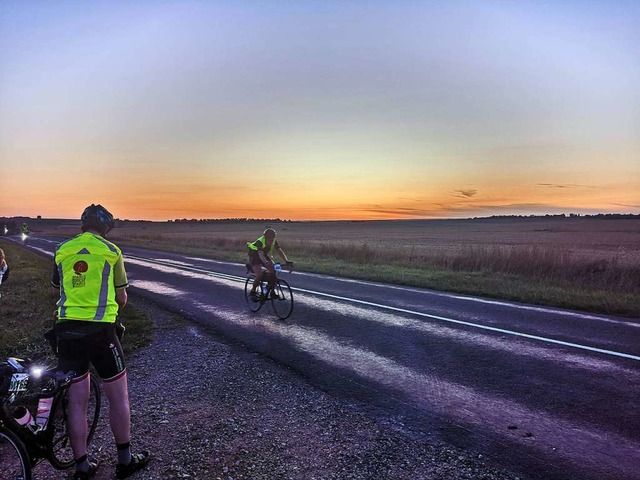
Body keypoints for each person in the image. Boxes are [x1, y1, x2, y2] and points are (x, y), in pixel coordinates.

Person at [51, 204, 150, 479]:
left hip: (67, 331)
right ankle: (125, 460)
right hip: (101, 333)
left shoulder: (62, 250)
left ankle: (82, 466)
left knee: (77, 401)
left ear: (83, 225)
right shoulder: (111, 251)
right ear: (106, 227)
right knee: (118, 396)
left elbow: (60, 288)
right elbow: (121, 298)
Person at [247, 227, 293, 299]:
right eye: (270, 240)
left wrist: (286, 261)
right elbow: (260, 255)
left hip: (264, 256)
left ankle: (271, 291)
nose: (271, 241)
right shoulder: (260, 242)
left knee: (273, 272)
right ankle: (253, 291)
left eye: (273, 239)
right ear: (265, 238)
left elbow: (279, 251)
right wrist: (266, 262)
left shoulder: (274, 241)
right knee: (259, 274)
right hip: (254, 257)